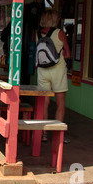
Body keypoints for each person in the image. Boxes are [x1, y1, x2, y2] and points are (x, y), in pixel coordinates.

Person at [37, 10, 71, 143]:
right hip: (58, 70)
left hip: (42, 70)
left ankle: (43, 133)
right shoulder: (59, 33)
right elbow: (67, 54)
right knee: (60, 104)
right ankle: (58, 135)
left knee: (43, 104)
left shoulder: (38, 33)